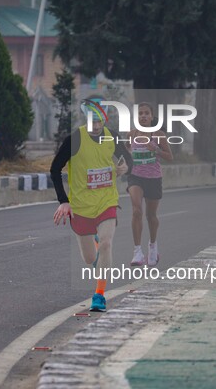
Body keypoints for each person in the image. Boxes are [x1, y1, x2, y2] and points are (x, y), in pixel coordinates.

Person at [51, 99, 133, 312]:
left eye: (99, 121)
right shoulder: (74, 139)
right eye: (91, 121)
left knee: (107, 243)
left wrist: (125, 168)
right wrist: (64, 201)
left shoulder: (111, 136)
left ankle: (99, 295)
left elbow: (128, 160)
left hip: (107, 201)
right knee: (89, 259)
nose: (96, 126)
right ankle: (95, 246)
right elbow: (54, 169)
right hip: (81, 207)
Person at [126, 103, 173, 266]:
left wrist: (156, 150)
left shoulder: (158, 134)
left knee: (151, 216)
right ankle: (137, 252)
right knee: (137, 210)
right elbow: (125, 154)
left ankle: (153, 246)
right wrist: (122, 165)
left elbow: (169, 157)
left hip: (153, 178)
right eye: (140, 114)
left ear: (151, 117)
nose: (143, 116)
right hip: (135, 177)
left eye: (146, 113)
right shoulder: (131, 134)